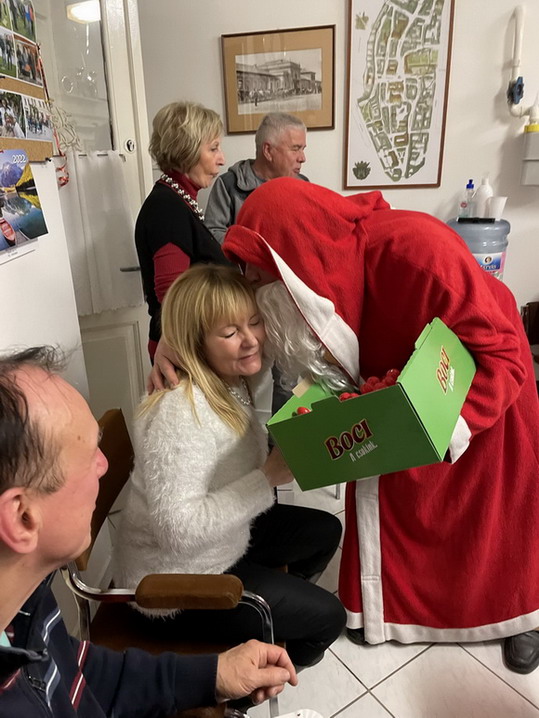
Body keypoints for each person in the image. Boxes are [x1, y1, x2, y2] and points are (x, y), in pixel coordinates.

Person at [214, 178, 539, 674]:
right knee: (396, 499)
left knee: (492, 520)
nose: (254, 292)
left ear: (292, 258)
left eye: (259, 277)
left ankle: (519, 616)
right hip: (402, 384)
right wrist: (177, 340)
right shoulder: (326, 270)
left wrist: (420, 420)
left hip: (487, 389)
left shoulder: (417, 253)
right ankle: (384, 611)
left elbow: (503, 354)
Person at [0, 346, 298, 716]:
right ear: (23, 517)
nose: (105, 464)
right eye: (89, 454)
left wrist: (214, 675)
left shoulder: (28, 605)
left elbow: (83, 672)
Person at [113, 264, 346, 670]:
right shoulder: (179, 413)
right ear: (197, 343)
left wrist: (174, 338)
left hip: (224, 541)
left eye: (254, 322)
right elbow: (178, 531)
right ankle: (245, 683)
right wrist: (267, 479)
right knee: (329, 619)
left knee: (326, 531)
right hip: (175, 583)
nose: (251, 340)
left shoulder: (233, 372)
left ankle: (265, 622)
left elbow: (294, 329)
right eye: (230, 332)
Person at [135, 100, 231, 362]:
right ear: (185, 149)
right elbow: (173, 295)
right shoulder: (167, 208)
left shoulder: (178, 200)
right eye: (213, 148)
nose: (222, 159)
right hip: (183, 349)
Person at [204, 112, 308, 245]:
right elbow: (211, 234)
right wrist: (253, 249)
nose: (302, 158)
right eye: (295, 149)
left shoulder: (304, 185)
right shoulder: (229, 184)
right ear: (268, 151)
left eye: (303, 149)